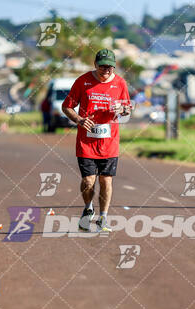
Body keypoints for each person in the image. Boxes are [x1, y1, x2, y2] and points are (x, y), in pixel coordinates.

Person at [62, 49, 131, 232]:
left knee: (106, 181)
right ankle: (88, 208)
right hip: (86, 141)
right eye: (102, 67)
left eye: (109, 67)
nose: (106, 71)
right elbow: (67, 106)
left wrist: (124, 110)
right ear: (95, 65)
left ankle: (103, 218)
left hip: (109, 142)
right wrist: (79, 120)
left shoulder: (120, 83)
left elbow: (127, 109)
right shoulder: (83, 81)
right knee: (89, 181)